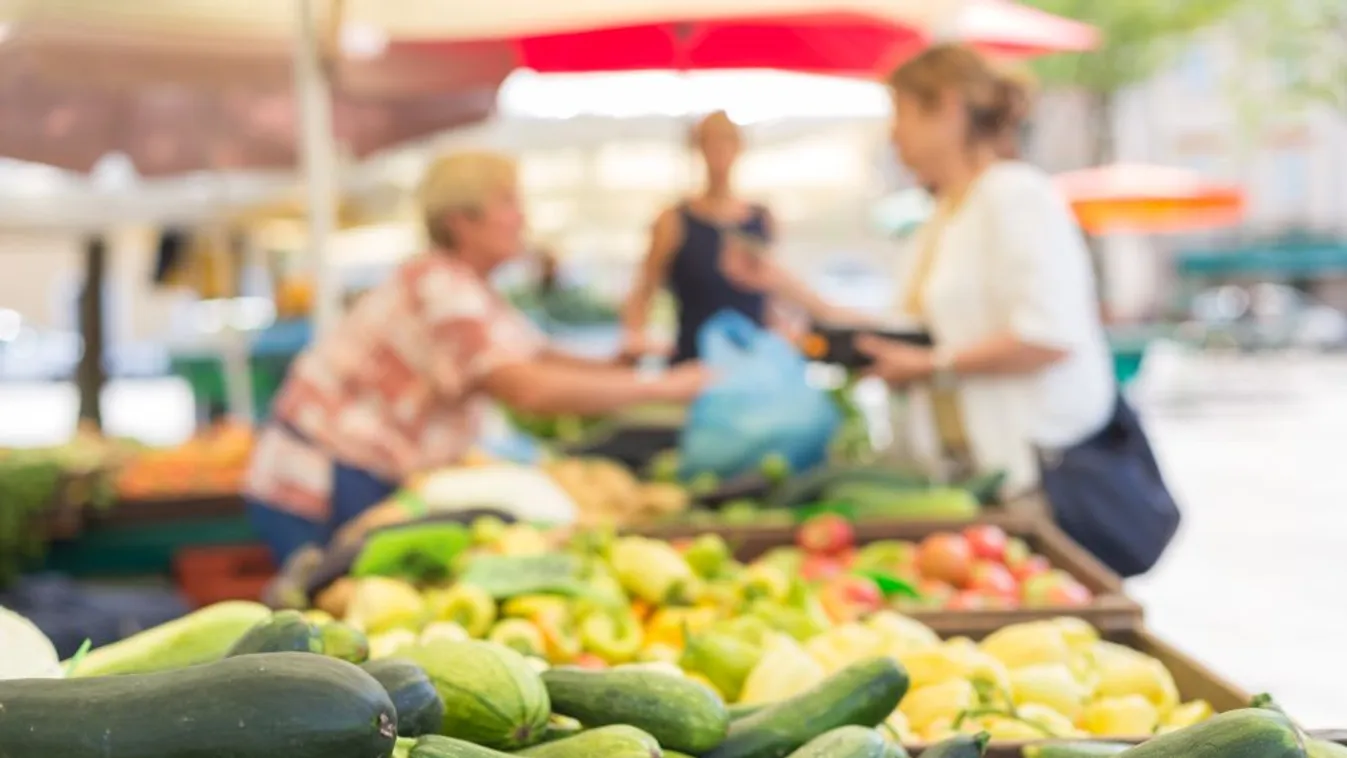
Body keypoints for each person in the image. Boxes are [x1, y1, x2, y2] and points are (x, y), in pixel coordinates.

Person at [244, 151, 710, 563]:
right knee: (333, 615)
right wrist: (662, 388)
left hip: (361, 474)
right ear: (460, 220)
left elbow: (537, 355)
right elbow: (526, 387)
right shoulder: (439, 287)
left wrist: (618, 363)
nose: (520, 218)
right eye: (506, 203)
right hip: (320, 480)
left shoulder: (472, 290)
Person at [741, 45, 1114, 496]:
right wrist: (789, 290)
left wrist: (930, 365)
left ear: (949, 108)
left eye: (903, 113)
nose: (894, 135)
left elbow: (1048, 335)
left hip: (1034, 476)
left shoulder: (1016, 195)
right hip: (965, 478)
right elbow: (910, 330)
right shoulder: (943, 217)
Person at [619, 111, 785, 364]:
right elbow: (644, 289)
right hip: (694, 362)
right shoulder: (673, 220)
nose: (719, 151)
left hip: (753, 360)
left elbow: (770, 298)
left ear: (739, 147)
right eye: (711, 141)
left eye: (726, 141)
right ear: (698, 147)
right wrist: (634, 337)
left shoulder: (761, 218)